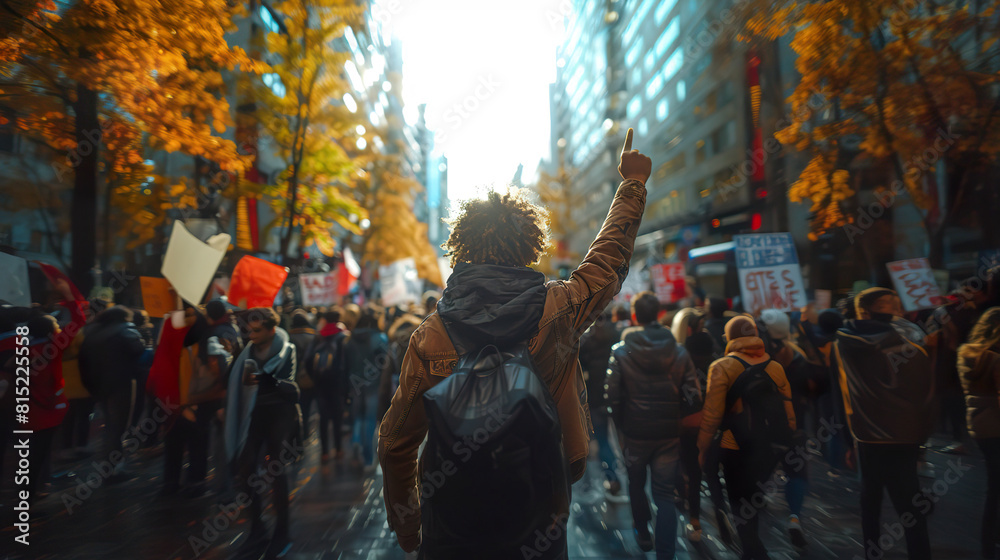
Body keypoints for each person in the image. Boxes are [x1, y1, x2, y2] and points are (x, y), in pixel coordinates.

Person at [378, 128, 651, 556]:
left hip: (450, 514)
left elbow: (395, 442)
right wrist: (632, 186)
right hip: (540, 503)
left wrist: (409, 527)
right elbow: (607, 263)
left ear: (462, 245)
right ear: (530, 244)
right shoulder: (559, 308)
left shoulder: (430, 333)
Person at [835, 288, 934, 560]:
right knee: (909, 506)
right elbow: (925, 397)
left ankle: (872, 553)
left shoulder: (842, 344)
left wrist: (849, 437)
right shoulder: (913, 348)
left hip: (866, 437)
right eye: (893, 305)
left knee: (870, 501)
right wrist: (923, 440)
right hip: (905, 437)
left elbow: (842, 394)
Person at [606, 292, 701, 558]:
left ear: (635, 316)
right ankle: (666, 552)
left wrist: (621, 425)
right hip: (668, 434)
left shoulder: (621, 351)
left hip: (635, 433)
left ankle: (642, 531)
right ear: (658, 313)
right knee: (664, 494)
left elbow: (611, 396)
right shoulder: (679, 351)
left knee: (635, 483)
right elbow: (694, 394)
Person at [698, 315, 797, 560]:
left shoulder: (721, 366)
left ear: (729, 337)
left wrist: (702, 447)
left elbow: (712, 414)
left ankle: (753, 549)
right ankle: (753, 546)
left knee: (738, 498)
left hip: (734, 443)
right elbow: (788, 411)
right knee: (754, 496)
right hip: (768, 445)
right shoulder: (775, 367)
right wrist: (787, 439)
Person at [224, 307, 301, 558]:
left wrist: (270, 381)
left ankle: (282, 532)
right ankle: (257, 529)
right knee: (245, 467)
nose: (252, 335)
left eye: (257, 330)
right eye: (249, 330)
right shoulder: (246, 351)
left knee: (276, 469)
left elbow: (291, 386)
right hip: (254, 415)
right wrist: (232, 357)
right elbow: (231, 379)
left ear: (271, 329)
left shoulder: (286, 349)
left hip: (279, 414)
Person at [78, 305, 145, 482]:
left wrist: (91, 387)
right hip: (122, 384)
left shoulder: (91, 333)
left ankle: (108, 466)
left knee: (109, 426)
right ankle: (113, 469)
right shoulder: (125, 329)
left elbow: (82, 362)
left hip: (99, 386)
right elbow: (139, 349)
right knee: (119, 427)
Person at [958, 307, 1000, 560]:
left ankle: (988, 544)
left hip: (980, 426)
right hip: (996, 424)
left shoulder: (966, 353)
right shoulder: (995, 357)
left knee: (993, 488)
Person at [579, 306, 622, 494]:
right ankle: (632, 474)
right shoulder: (619, 335)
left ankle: (612, 478)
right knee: (625, 440)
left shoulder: (585, 341)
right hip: (620, 397)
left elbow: (580, 373)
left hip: (596, 399)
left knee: (603, 440)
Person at [345, 305, 388, 469]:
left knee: (358, 416)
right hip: (373, 384)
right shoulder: (380, 338)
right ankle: (368, 458)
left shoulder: (350, 339)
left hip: (354, 383)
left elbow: (345, 363)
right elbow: (385, 363)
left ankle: (356, 439)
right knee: (370, 419)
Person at [307, 309, 350, 462]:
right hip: (338, 382)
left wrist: (314, 377)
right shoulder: (343, 336)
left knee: (323, 417)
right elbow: (347, 362)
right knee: (337, 416)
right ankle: (338, 449)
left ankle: (324, 452)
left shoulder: (318, 336)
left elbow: (308, 360)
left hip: (320, 383)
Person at [288, 310, 318, 443]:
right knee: (309, 408)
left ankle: (297, 437)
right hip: (312, 378)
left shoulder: (289, 338)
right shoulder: (314, 337)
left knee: (299, 409)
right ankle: (307, 434)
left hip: (294, 380)